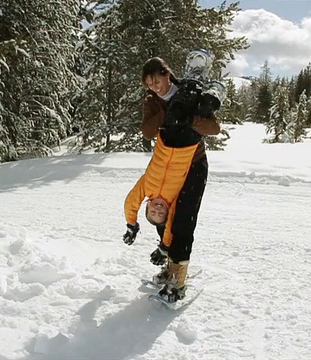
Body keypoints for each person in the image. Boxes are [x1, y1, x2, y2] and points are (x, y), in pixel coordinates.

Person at [122, 50, 224, 303]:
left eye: (157, 81)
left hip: (193, 164)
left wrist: (188, 118)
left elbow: (214, 128)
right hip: (169, 164)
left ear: (168, 74)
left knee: (183, 221)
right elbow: (147, 132)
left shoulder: (191, 93)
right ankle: (169, 261)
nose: (154, 88)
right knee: (163, 215)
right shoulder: (152, 102)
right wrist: (167, 113)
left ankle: (178, 278)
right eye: (149, 85)